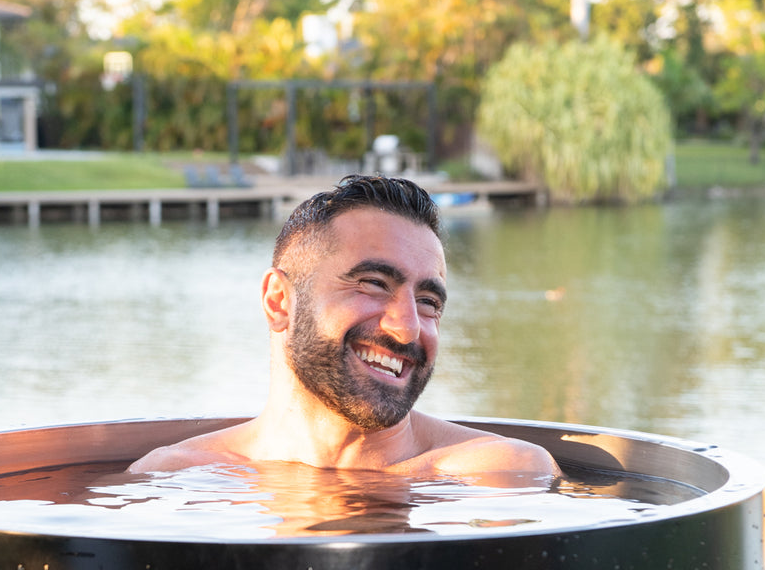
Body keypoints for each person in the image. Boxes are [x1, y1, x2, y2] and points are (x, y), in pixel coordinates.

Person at [128, 174, 559, 481]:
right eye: (373, 284)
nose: (407, 329)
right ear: (279, 301)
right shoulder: (175, 480)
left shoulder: (503, 477)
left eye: (428, 302)